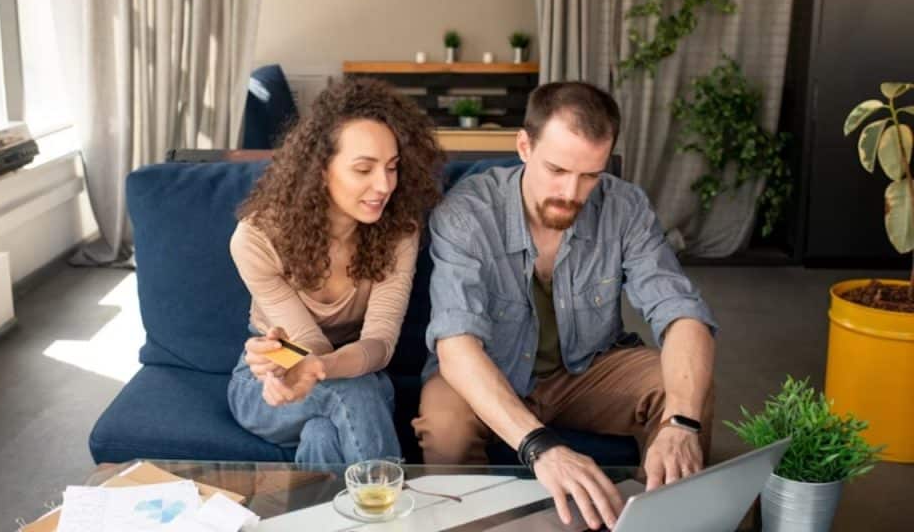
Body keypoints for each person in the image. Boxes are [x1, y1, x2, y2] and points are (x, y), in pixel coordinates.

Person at [412, 81, 718, 530]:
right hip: (487, 371)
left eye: (590, 175)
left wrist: (683, 421)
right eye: (556, 169)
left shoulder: (624, 206)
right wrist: (539, 446)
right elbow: (456, 346)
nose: (572, 192)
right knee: (444, 424)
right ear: (523, 145)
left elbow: (681, 311)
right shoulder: (467, 212)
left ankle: (658, 522)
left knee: (686, 387)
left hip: (586, 371)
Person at [228, 78, 443, 464]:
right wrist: (309, 365)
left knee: (322, 435)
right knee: (356, 391)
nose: (384, 186)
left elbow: (380, 343)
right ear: (321, 169)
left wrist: (323, 367)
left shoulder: (399, 231)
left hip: (356, 369)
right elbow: (307, 348)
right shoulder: (256, 238)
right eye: (364, 169)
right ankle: (392, 518)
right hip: (274, 379)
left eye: (392, 168)